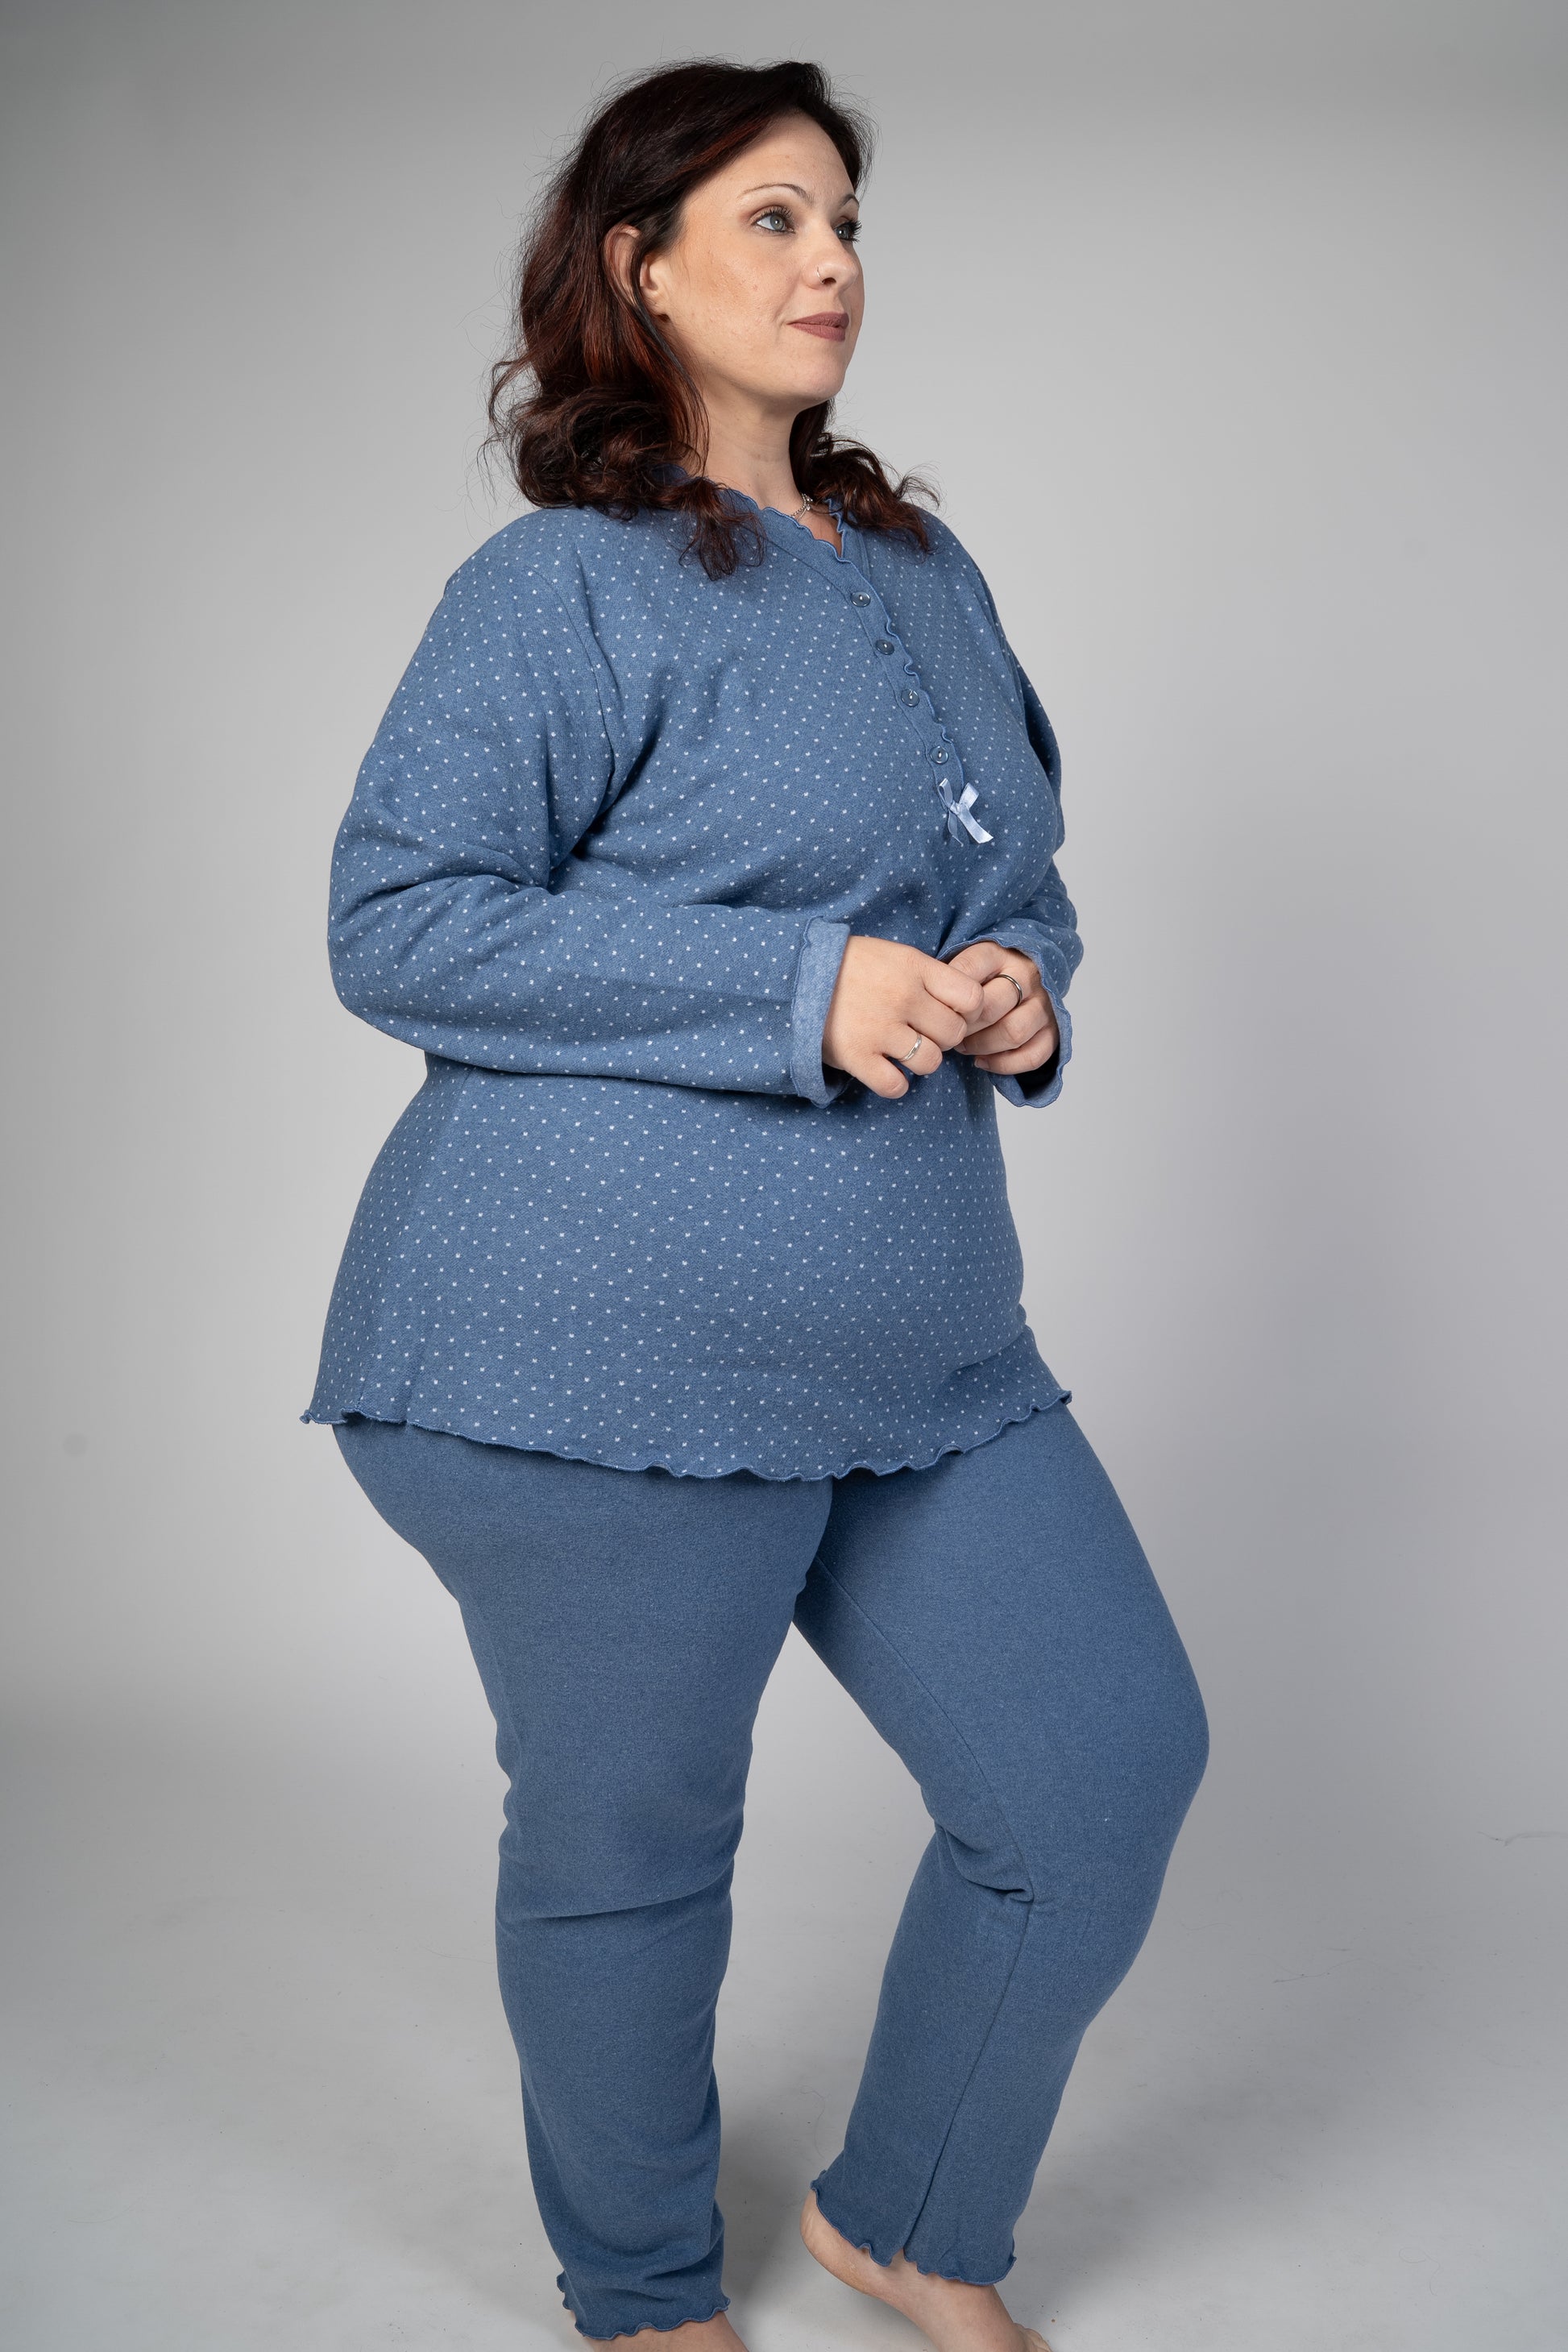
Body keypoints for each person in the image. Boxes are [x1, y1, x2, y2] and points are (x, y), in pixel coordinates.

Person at [303, 56, 1208, 2352]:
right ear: (639, 269)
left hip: (917, 1340)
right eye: (774, 221)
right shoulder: (557, 586)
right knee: (635, 1853)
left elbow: (1010, 879)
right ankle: (640, 2295)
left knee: (1098, 1769)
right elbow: (399, 921)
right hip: (584, 1347)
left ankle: (909, 2218)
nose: (831, 267)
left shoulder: (917, 564)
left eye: (847, 224)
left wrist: (1019, 983)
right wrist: (802, 987)